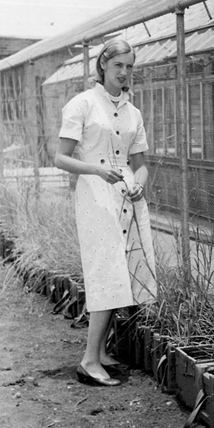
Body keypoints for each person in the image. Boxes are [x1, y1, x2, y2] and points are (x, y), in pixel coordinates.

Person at [55, 39, 156, 387]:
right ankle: (88, 360)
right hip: (95, 195)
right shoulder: (82, 104)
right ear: (103, 65)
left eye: (129, 66)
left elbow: (141, 164)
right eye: (118, 66)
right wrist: (97, 171)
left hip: (127, 196)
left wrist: (139, 182)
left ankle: (100, 353)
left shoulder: (133, 113)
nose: (124, 73)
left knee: (120, 274)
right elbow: (60, 157)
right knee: (105, 272)